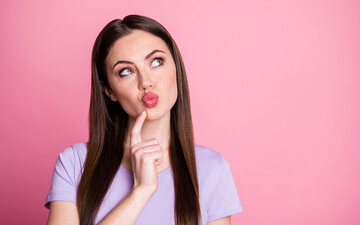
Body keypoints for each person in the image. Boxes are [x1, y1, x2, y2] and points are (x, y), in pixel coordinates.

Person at [45, 14, 242, 225]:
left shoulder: (212, 169)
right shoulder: (75, 163)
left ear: (176, 67)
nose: (146, 82)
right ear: (109, 90)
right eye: (126, 71)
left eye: (157, 62)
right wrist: (141, 191)